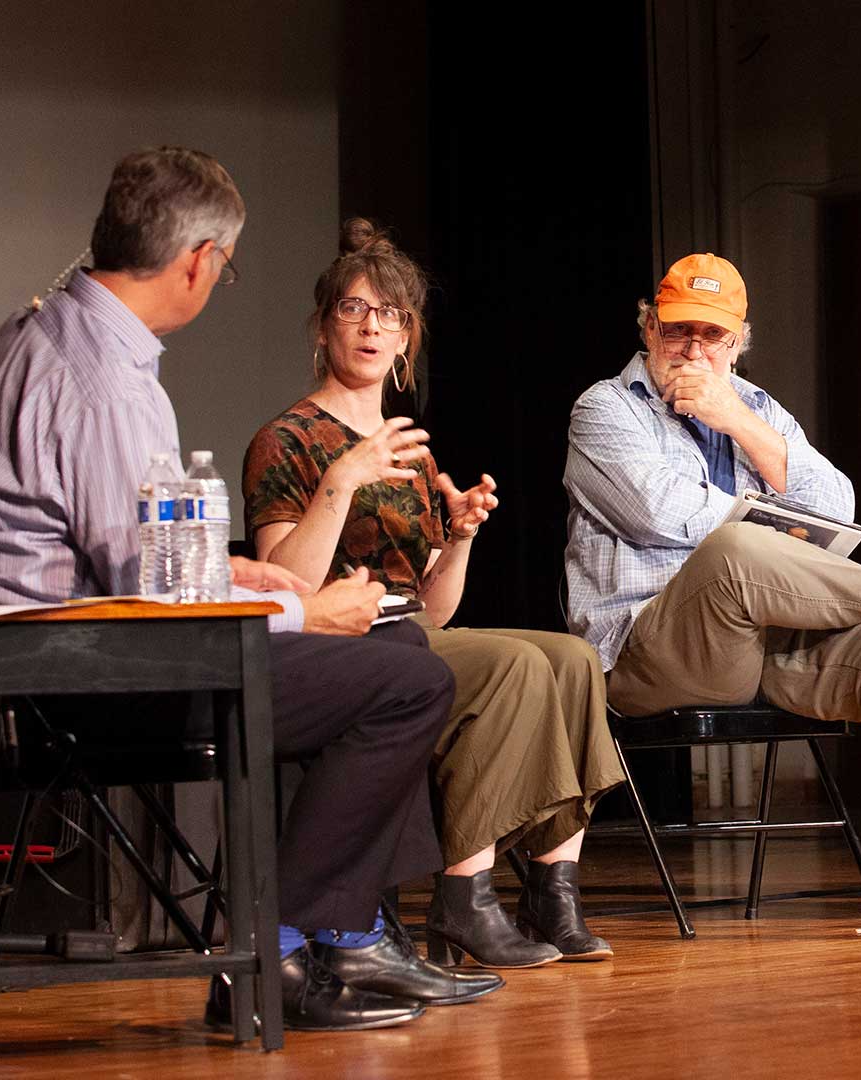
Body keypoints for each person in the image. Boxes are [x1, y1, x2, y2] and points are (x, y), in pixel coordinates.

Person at [0, 148, 495, 1032]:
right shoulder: (105, 379)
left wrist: (235, 569)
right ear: (199, 260)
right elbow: (142, 585)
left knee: (394, 645)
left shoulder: (41, 324)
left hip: (73, 646)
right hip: (106, 673)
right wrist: (306, 609)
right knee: (410, 682)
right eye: (225, 267)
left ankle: (344, 935)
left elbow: (114, 541)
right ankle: (278, 949)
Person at [565, 253, 861, 939]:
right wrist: (768, 515)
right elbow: (659, 513)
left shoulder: (758, 409)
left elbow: (840, 510)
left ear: (740, 342)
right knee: (734, 549)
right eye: (679, 331)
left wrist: (739, 421)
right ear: (649, 328)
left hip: (769, 648)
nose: (695, 350)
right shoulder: (605, 410)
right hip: (653, 651)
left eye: (714, 335)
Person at [243, 219, 623, 967]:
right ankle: (463, 898)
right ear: (323, 329)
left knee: (573, 658)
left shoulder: (408, 448)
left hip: (406, 633)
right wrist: (342, 480)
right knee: (516, 667)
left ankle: (553, 891)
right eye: (353, 309)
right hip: (336, 645)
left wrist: (459, 537)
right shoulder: (286, 439)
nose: (372, 327)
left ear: (408, 338)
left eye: (390, 315)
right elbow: (286, 587)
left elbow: (435, 611)